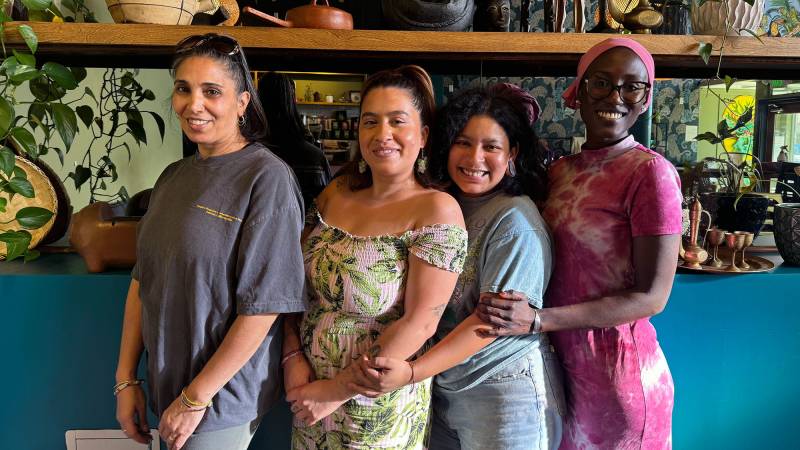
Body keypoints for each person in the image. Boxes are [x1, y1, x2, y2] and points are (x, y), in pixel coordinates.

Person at [476, 38, 683, 449]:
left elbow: (652, 297)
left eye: (632, 87)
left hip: (618, 375)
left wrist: (538, 320)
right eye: (601, 83)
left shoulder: (650, 174)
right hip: (562, 367)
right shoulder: (560, 172)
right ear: (578, 92)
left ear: (645, 100)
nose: (616, 97)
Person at [114, 33, 306, 450]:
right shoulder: (172, 177)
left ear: (242, 102)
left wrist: (195, 398)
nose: (193, 104)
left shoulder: (266, 178)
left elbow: (265, 306)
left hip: (218, 400)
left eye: (212, 91)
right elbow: (142, 281)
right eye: (183, 89)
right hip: (170, 387)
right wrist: (126, 378)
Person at [348, 83, 565, 450]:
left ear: (512, 153)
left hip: (504, 393)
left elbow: (491, 322)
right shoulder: (446, 205)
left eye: (491, 146)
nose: (474, 158)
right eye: (463, 143)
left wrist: (413, 372)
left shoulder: (515, 219)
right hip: (445, 386)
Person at [283, 65, 468, 449]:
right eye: (370, 122)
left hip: (374, 405)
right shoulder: (336, 192)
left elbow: (420, 324)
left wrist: (335, 390)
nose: (382, 135)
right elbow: (291, 285)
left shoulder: (437, 210)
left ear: (423, 135)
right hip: (305, 391)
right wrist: (291, 359)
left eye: (397, 121)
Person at [258, 71, 332, 211]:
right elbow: (326, 204)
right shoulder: (314, 157)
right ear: (293, 101)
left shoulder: (248, 152)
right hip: (304, 230)